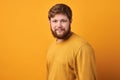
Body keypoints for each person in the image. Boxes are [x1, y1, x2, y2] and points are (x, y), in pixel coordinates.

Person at [47, 3, 96, 80]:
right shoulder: (52, 46)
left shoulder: (82, 48)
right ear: (49, 22)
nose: (59, 25)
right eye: (55, 21)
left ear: (70, 21)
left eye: (63, 21)